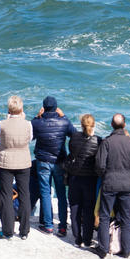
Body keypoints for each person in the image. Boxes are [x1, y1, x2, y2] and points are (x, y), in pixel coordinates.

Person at [31, 96, 79, 236]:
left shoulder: (37, 123)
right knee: (61, 194)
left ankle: (48, 226)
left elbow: (30, 134)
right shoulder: (64, 122)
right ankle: (63, 226)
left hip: (43, 161)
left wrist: (37, 116)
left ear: (44, 108)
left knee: (45, 193)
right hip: (59, 161)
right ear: (56, 108)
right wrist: (64, 116)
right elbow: (75, 135)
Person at [94, 113, 130, 259]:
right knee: (126, 217)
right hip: (126, 184)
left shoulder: (106, 142)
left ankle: (103, 248)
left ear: (112, 125)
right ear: (124, 125)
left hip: (110, 182)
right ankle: (126, 250)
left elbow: (100, 165)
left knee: (105, 215)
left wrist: (105, 176)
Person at [0, 95, 33, 239]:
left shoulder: (2, 123)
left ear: (9, 110)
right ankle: (24, 231)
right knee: (24, 195)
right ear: (21, 109)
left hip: (6, 161)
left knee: (6, 196)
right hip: (23, 161)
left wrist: (7, 120)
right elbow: (29, 139)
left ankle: (8, 231)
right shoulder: (28, 124)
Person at [65, 114, 101, 248]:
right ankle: (87, 239)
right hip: (90, 180)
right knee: (88, 209)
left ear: (81, 125)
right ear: (94, 125)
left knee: (74, 207)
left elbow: (71, 153)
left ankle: (77, 237)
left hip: (74, 177)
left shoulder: (74, 138)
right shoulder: (98, 141)